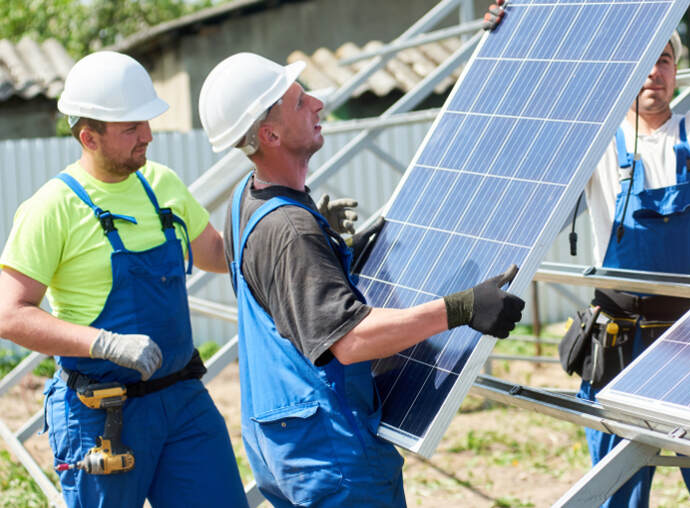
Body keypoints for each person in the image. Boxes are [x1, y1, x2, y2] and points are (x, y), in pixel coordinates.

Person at [197, 52, 526, 507]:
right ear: (269, 134)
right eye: (298, 102)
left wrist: (326, 246)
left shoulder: (244, 201)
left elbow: (279, 288)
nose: (317, 103)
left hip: (281, 439)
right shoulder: (290, 230)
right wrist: (460, 308)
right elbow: (348, 340)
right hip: (331, 452)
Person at [486, 1, 690, 507]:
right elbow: (527, 122)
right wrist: (512, 41)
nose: (653, 72)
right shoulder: (596, 143)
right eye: (642, 61)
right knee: (614, 495)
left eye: (663, 59)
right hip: (620, 346)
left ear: (676, 70)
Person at [0, 51, 247, 508]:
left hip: (183, 401)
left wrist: (286, 229)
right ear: (89, 137)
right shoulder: (51, 208)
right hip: (101, 412)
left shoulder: (161, 184)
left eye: (146, 122)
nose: (148, 136)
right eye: (131, 128)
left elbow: (215, 253)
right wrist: (104, 343)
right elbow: (10, 317)